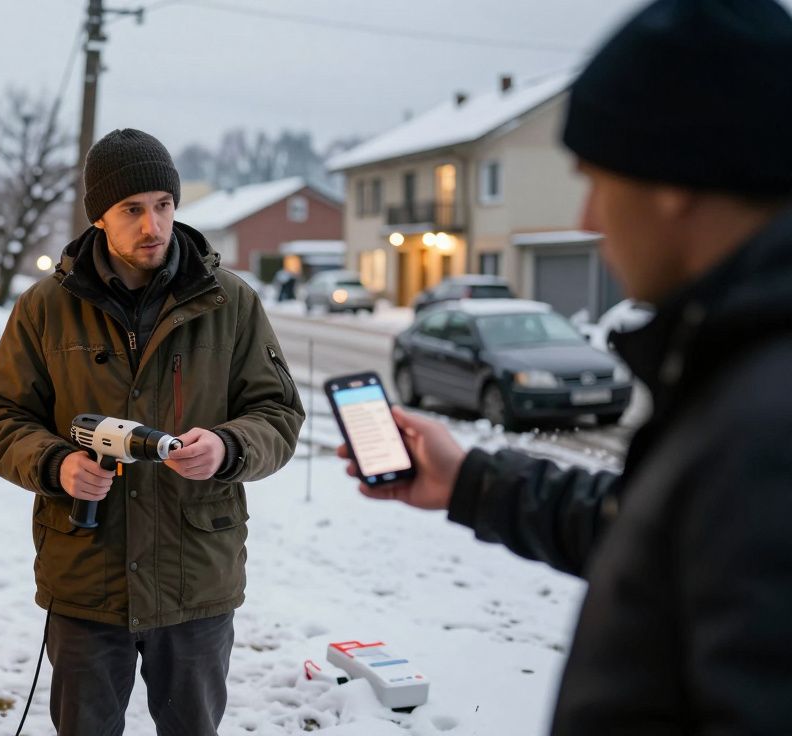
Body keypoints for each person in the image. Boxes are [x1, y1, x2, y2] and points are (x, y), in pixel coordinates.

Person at [339, 1, 792, 733]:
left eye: (596, 179)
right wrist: (473, 481)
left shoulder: (768, 423)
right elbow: (651, 537)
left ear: (674, 178)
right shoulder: (742, 365)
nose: (587, 219)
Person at [0, 128, 304, 735]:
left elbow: (278, 415)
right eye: (132, 210)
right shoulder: (45, 308)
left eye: (163, 205)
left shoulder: (230, 303)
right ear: (99, 216)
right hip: (86, 576)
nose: (153, 226)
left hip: (194, 575)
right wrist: (55, 464)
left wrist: (230, 447)